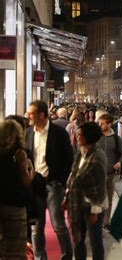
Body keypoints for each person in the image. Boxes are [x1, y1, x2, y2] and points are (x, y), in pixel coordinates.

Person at [26, 100, 74, 260]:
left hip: (53, 184)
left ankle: (66, 256)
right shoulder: (28, 133)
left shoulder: (59, 133)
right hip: (35, 185)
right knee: (36, 227)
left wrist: (60, 180)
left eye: (31, 113)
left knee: (58, 224)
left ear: (41, 114)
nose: (28, 116)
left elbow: (68, 159)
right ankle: (40, 257)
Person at [65, 122, 107, 260]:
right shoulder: (81, 152)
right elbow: (73, 175)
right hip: (78, 202)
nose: (76, 136)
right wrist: (66, 197)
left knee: (95, 240)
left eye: (79, 134)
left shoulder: (97, 156)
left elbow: (100, 186)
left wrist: (95, 209)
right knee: (78, 238)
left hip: (93, 205)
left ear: (88, 136)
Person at [0, 120, 35, 258]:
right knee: (15, 250)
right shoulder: (20, 153)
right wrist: (31, 171)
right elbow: (26, 182)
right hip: (15, 205)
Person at [97, 114, 122, 231]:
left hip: (110, 173)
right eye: (99, 123)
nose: (100, 125)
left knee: (108, 199)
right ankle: (97, 221)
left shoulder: (116, 139)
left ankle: (106, 222)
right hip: (97, 174)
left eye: (102, 123)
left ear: (109, 124)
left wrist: (120, 162)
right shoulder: (96, 137)